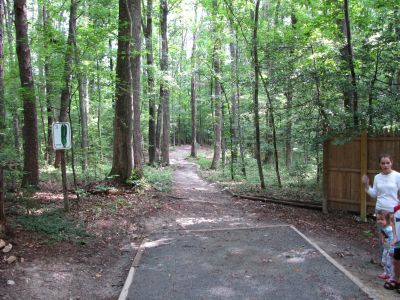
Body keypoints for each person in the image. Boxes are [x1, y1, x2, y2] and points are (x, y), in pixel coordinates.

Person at [362, 154, 400, 290]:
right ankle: (386, 270)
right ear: (380, 164)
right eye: (383, 163)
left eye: (387, 163)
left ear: (392, 163)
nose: (385, 165)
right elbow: (374, 194)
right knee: (383, 243)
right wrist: (366, 185)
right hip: (380, 212)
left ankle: (395, 275)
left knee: (393, 243)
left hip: (393, 213)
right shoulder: (377, 177)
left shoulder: (397, 176)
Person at [375, 212, 395, 286]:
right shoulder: (383, 227)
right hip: (386, 247)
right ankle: (386, 273)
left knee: (390, 261)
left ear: (388, 220)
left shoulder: (390, 229)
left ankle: (391, 275)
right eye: (378, 219)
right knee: (384, 260)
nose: (380, 221)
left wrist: (391, 248)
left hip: (390, 247)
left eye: (382, 219)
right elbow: (383, 236)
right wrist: (383, 242)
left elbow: (392, 239)